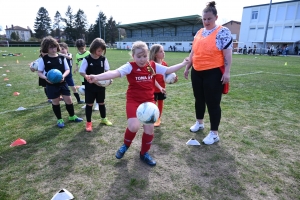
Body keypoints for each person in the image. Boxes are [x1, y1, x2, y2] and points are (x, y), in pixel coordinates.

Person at [86, 41, 190, 166]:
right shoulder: (130, 66)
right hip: (133, 101)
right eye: (139, 56)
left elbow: (168, 70)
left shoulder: (152, 66)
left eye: (144, 56)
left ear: (148, 55)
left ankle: (144, 153)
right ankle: (126, 145)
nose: (142, 59)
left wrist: (184, 63)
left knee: (150, 129)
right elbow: (114, 73)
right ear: (133, 56)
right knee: (134, 126)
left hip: (149, 103)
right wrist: (96, 77)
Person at [184, 1, 232, 145]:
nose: (206, 22)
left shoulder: (223, 32)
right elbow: (194, 51)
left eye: (209, 19)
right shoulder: (199, 32)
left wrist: (227, 72)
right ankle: (199, 123)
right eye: (204, 19)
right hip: (197, 71)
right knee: (199, 99)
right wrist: (188, 67)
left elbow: (227, 54)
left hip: (213, 72)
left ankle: (214, 133)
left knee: (213, 103)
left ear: (216, 17)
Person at [37, 36, 83, 128]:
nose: (53, 49)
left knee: (69, 100)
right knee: (55, 101)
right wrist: (46, 78)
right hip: (51, 84)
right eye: (50, 47)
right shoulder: (44, 59)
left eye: (54, 47)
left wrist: (63, 76)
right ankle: (59, 119)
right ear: (46, 48)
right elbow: (39, 72)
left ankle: (72, 116)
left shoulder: (62, 58)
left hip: (62, 82)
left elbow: (67, 70)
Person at [79, 38, 113, 132]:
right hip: (90, 86)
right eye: (99, 50)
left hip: (101, 86)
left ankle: (103, 119)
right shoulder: (87, 59)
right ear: (93, 49)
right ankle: (89, 123)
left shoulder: (103, 59)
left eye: (102, 50)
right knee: (89, 104)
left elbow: (107, 71)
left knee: (101, 102)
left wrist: (110, 79)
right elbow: (82, 72)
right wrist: (88, 78)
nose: (101, 52)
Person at [149, 44, 175, 127]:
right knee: (152, 105)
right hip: (153, 89)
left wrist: (172, 79)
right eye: (161, 51)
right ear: (155, 54)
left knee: (160, 103)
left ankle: (158, 119)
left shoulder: (164, 64)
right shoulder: (151, 64)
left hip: (162, 89)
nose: (164, 53)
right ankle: (150, 118)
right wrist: (159, 87)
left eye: (163, 51)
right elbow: (153, 78)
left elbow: (165, 77)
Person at [75, 39, 99, 110]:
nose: (81, 50)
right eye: (79, 49)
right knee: (87, 91)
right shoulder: (77, 55)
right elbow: (77, 62)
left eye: (82, 48)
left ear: (85, 46)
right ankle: (88, 103)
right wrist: (76, 68)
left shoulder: (89, 53)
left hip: (90, 75)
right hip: (83, 76)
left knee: (95, 89)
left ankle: (97, 104)